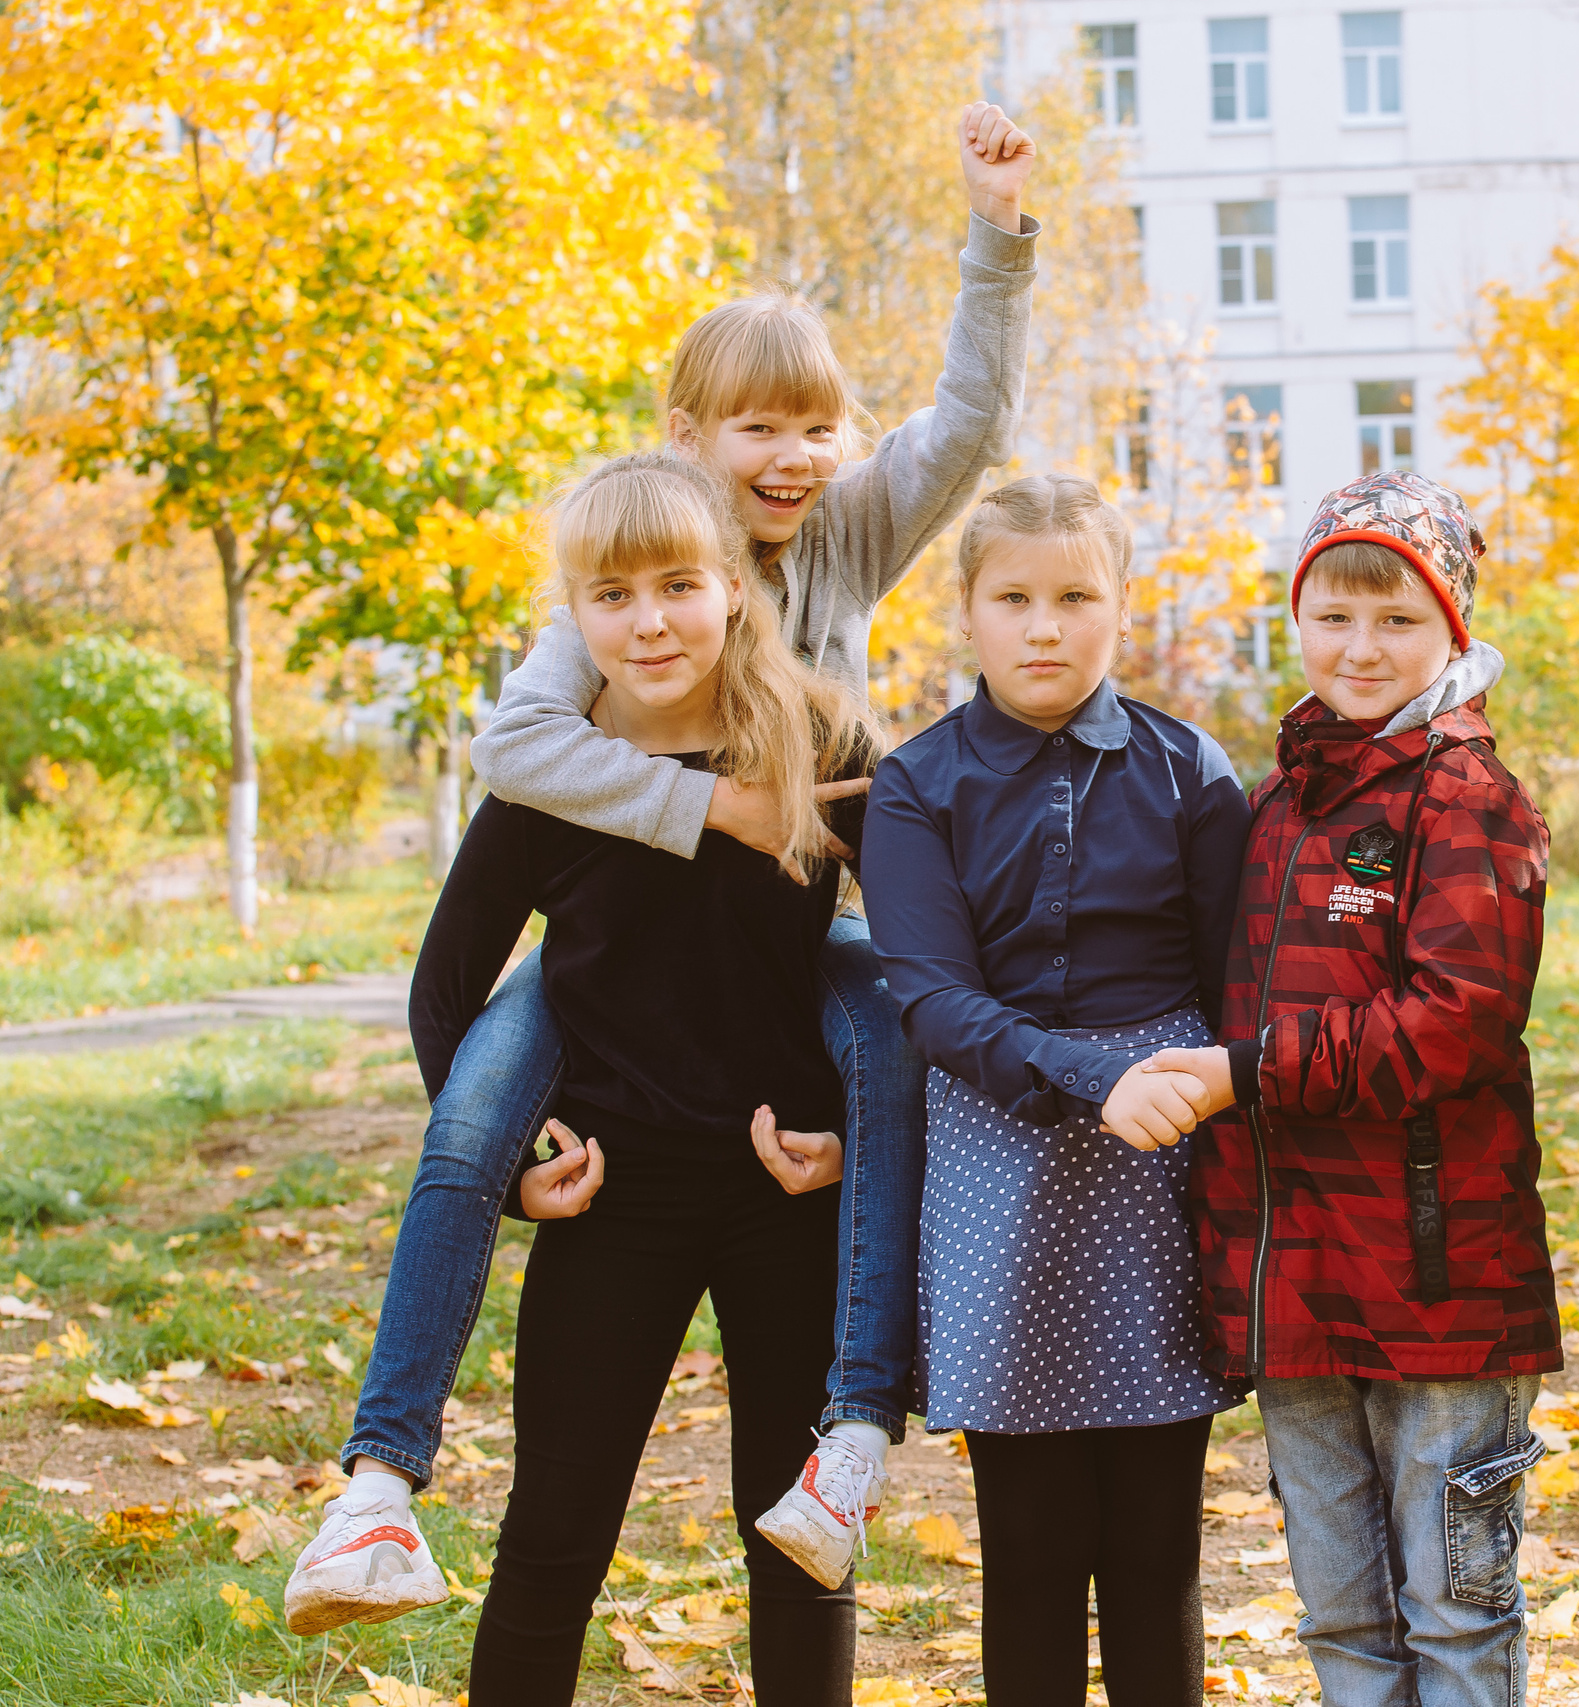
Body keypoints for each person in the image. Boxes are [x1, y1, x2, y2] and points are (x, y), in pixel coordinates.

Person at [283, 102, 1040, 1633]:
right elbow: (515, 751)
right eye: (756, 427)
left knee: (884, 1042)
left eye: (816, 425)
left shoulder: (847, 535)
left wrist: (999, 234)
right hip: (620, 954)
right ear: (685, 439)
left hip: (798, 938)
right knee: (479, 1101)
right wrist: (719, 808)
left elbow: (966, 422)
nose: (793, 455)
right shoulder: (630, 586)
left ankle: (857, 1427)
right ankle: (376, 1481)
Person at [399, 453, 872, 1702]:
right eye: (611, 596)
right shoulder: (552, 777)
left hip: (789, 1194)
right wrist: (515, 1171)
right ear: (574, 616)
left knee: (800, 1546)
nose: (648, 622)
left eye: (677, 586)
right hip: (613, 1198)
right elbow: (444, 991)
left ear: (734, 587)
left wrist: (856, 1139)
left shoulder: (819, 741)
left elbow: (929, 964)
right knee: (554, 1535)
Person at [1143, 472, 1559, 1707]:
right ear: (1297, 621)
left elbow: (1454, 1023)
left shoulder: (1470, 801)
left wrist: (1245, 1075)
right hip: (1296, 1282)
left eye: (1397, 619)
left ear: (1452, 629)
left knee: (1454, 1617)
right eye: (1333, 616)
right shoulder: (1271, 805)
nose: (1361, 648)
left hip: (1439, 1281)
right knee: (1342, 1619)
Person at [860, 475, 1250, 1707]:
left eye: (1076, 597)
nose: (1044, 628)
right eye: (1013, 599)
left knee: (1155, 1543)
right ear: (966, 611)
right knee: (1026, 1548)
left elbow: (1234, 984)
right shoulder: (916, 785)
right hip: (1000, 1159)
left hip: (1162, 1161)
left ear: (1120, 606)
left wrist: (1188, 1095)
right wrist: (1093, 1076)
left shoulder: (1190, 772)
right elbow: (934, 1001)